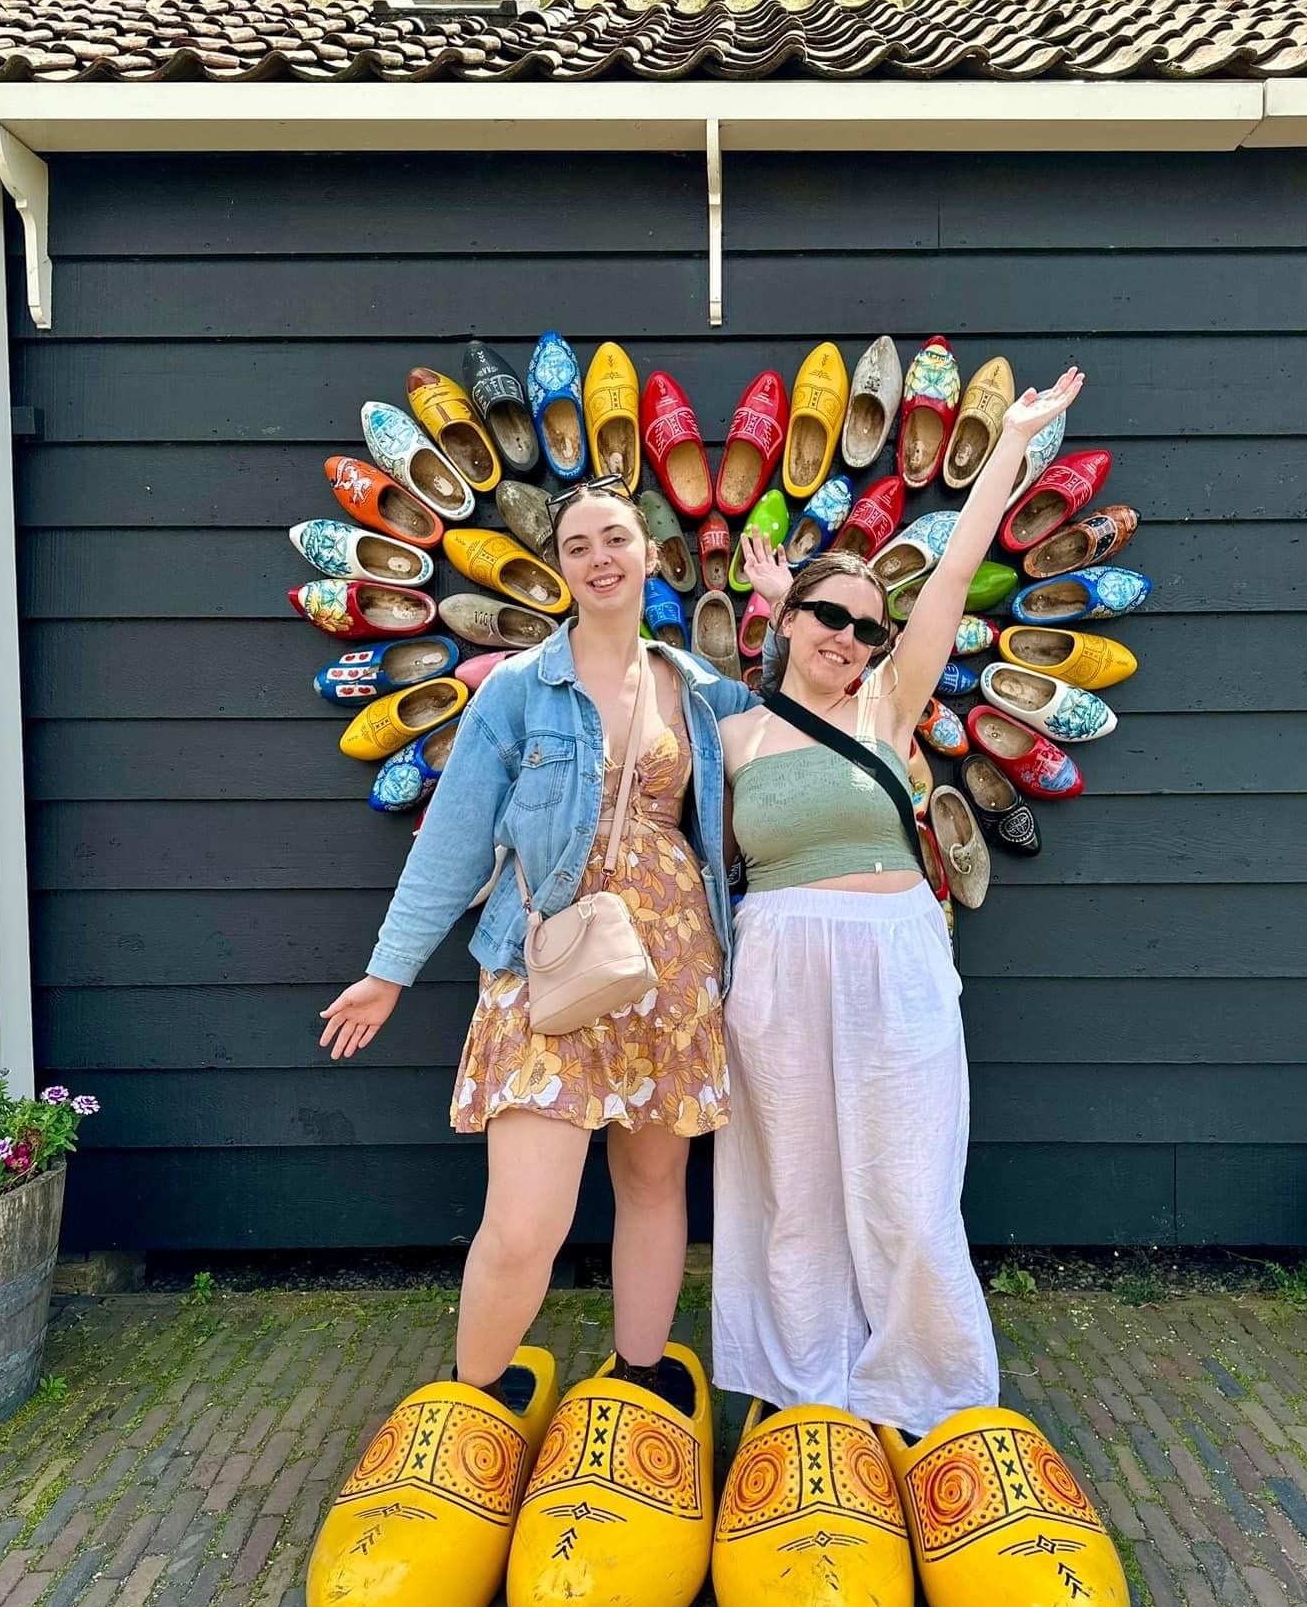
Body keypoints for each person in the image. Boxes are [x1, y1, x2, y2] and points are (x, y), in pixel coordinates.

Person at [318, 476, 754, 1396]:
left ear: (649, 556)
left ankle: (641, 1371)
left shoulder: (699, 686)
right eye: (579, 545)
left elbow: (799, 740)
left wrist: (792, 613)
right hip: (544, 959)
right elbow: (454, 839)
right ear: (561, 569)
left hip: (672, 967)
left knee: (653, 1181)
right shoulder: (517, 689)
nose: (600, 558)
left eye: (616, 540)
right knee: (525, 1220)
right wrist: (387, 974)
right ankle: (474, 1399)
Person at [715, 369, 1085, 1438]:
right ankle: (807, 1390)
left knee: (908, 1186)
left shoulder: (888, 700)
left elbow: (959, 565)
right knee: (796, 1190)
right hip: (778, 960)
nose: (848, 636)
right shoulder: (732, 736)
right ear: (787, 620)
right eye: (828, 615)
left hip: (896, 951)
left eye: (867, 625)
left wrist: (1011, 441)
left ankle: (923, 1392)